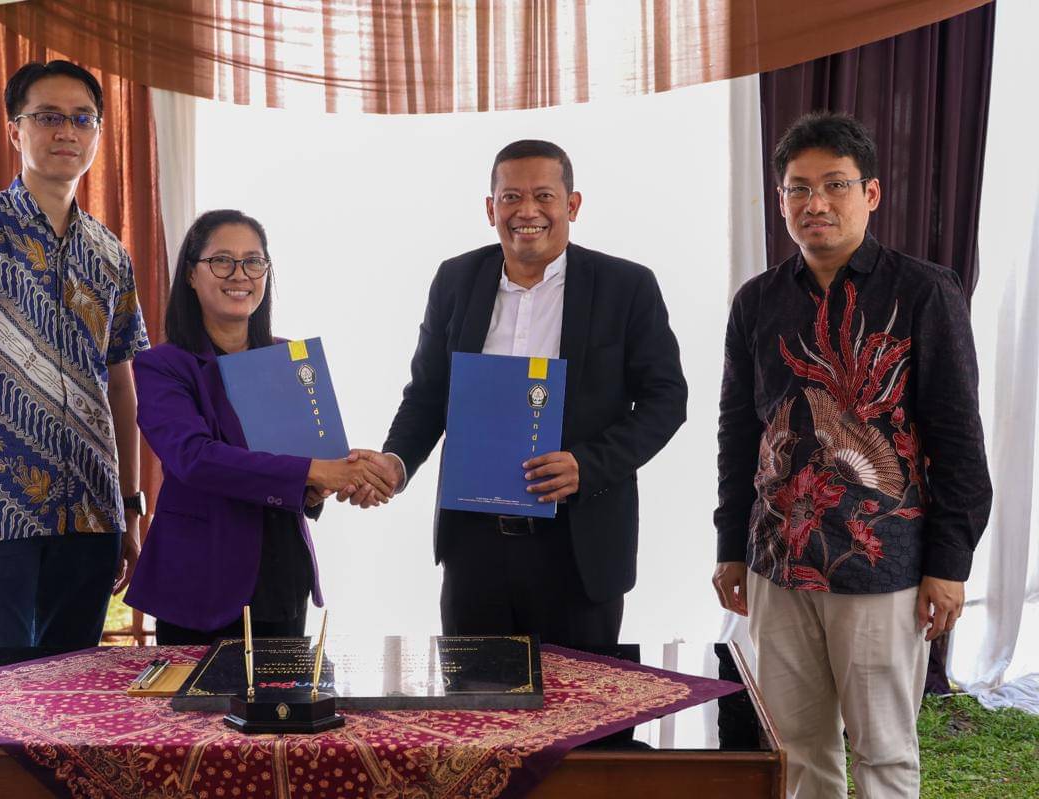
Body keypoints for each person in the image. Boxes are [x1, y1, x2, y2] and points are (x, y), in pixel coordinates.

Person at [712, 111, 992, 798]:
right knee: (797, 753)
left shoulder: (925, 292)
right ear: (780, 201)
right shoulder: (757, 301)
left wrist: (949, 565)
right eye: (798, 189)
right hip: (779, 561)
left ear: (870, 193)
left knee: (885, 756)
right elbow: (736, 433)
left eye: (834, 185)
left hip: (883, 566)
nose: (816, 203)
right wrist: (730, 545)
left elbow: (958, 439)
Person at [343, 140, 688, 648]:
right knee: (478, 716)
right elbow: (428, 395)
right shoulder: (456, 280)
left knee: (579, 718)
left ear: (572, 205)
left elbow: (666, 400)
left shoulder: (626, 286)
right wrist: (395, 464)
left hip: (578, 546)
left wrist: (587, 465)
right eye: (510, 198)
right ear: (490, 209)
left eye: (544, 196)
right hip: (474, 548)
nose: (527, 211)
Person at [0, 60, 149, 648]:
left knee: (74, 702)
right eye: (47, 117)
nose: (66, 131)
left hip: (91, 513)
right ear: (16, 130)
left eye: (82, 119)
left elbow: (122, 384)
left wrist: (130, 512)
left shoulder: (110, 253)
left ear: (95, 133)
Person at [124, 210, 396, 643]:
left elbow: (306, 463)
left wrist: (343, 477)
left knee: (286, 708)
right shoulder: (162, 366)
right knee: (202, 711)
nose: (240, 274)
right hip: (203, 581)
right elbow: (194, 459)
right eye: (222, 261)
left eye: (254, 261)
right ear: (192, 275)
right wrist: (317, 471)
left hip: (281, 574)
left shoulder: (287, 358)